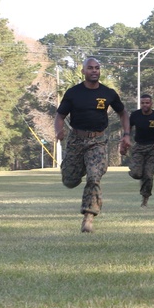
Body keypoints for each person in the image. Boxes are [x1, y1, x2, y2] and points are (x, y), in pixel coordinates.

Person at [54, 57, 131, 233]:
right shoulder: (73, 93)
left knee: (94, 176)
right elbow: (59, 116)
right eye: (90, 68)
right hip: (76, 140)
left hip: (98, 140)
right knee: (69, 180)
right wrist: (59, 131)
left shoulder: (108, 93)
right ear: (83, 71)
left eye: (97, 68)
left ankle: (89, 216)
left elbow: (123, 113)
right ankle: (79, 167)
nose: (94, 71)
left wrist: (126, 135)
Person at [127, 93, 154, 207]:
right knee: (136, 173)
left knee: (148, 175)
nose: (145, 105)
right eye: (142, 103)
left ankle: (145, 199)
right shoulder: (135, 115)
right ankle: (136, 170)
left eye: (147, 103)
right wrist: (125, 139)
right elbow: (127, 127)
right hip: (139, 147)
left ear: (151, 104)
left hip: (153, 148)